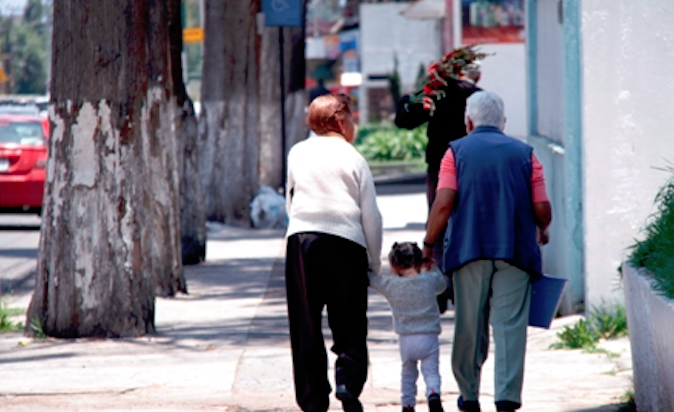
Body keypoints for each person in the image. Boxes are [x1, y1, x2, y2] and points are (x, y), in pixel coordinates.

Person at [421, 91, 552, 412]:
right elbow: (541, 205)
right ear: (503, 122)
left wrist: (428, 243)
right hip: (516, 251)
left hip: (469, 251)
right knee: (510, 326)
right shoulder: (526, 154)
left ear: (469, 122)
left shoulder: (455, 152)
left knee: (469, 323)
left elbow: (443, 203)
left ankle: (469, 395)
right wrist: (543, 228)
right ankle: (506, 399)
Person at [285, 94, 383, 412]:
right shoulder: (353, 157)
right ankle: (348, 384)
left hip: (302, 241)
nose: (353, 125)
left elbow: (291, 199)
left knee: (306, 323)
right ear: (340, 122)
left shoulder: (297, 152)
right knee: (350, 320)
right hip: (346, 243)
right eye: (352, 118)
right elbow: (371, 216)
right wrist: (374, 260)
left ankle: (313, 399)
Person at [369, 242, 448, 412]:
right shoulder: (430, 280)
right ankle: (433, 394)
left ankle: (408, 404)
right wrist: (432, 267)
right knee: (431, 372)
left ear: (394, 265)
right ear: (420, 262)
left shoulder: (391, 285)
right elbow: (443, 284)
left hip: (406, 339)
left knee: (408, 374)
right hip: (429, 337)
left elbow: (373, 280)